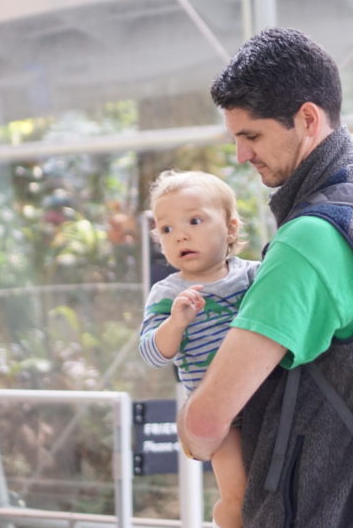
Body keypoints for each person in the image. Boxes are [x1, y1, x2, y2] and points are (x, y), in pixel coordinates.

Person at [176, 27, 353, 526]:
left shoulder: (311, 241)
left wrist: (190, 424)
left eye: (251, 135)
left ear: (306, 118)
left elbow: (208, 420)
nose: (241, 155)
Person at [138, 169, 258, 528]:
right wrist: (175, 323)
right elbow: (151, 353)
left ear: (231, 228)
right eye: (167, 229)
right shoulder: (167, 294)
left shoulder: (254, 275)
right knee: (238, 498)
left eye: (194, 220)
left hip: (268, 399)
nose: (181, 235)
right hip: (220, 415)